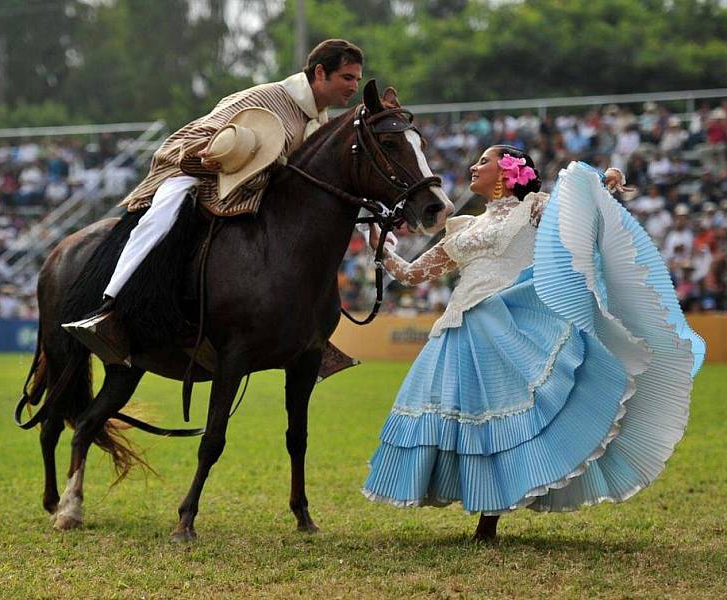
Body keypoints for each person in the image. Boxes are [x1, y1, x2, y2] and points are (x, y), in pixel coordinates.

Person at [361, 145, 705, 541]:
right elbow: (411, 273)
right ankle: (474, 502)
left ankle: (488, 519)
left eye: (484, 162)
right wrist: (380, 244)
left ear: (509, 171)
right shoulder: (464, 227)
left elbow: (579, 214)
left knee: (501, 416)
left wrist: (602, 184)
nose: (473, 167)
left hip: (511, 324)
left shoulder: (536, 209)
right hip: (459, 327)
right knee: (462, 418)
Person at [63, 39, 364, 361]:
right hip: (191, 171)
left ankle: (304, 332)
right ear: (321, 73)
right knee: (159, 220)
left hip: (249, 188)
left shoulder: (322, 121)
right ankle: (109, 307)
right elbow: (203, 132)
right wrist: (206, 154)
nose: (354, 86)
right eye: (348, 77)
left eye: (358, 79)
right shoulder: (264, 97)